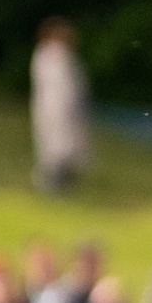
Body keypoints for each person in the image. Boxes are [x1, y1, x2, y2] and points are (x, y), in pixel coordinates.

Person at [31, 18, 92, 191]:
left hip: (68, 108)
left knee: (70, 146)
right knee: (55, 145)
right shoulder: (49, 55)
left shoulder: (65, 56)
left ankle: (65, 183)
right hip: (54, 107)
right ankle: (51, 184)